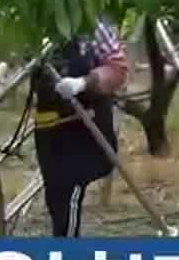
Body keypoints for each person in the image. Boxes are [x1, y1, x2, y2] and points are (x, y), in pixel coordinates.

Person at [28, 19, 129, 237]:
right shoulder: (33, 19)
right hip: (50, 131)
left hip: (84, 131)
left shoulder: (92, 24)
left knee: (69, 196)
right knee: (56, 199)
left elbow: (117, 69)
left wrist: (84, 82)